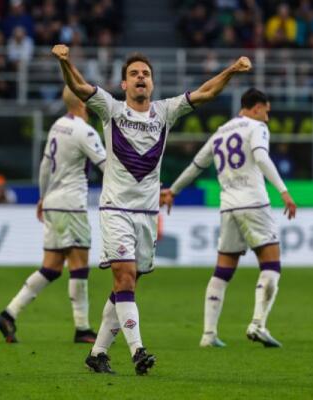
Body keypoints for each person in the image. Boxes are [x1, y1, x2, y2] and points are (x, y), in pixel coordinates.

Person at [51, 43, 251, 375]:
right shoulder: (111, 109)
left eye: (145, 73)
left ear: (152, 83)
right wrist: (65, 62)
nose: (140, 77)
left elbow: (206, 93)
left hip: (146, 214)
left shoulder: (165, 111)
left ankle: (97, 354)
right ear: (124, 84)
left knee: (126, 285)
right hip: (116, 209)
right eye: (134, 74)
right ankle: (138, 351)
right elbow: (80, 87)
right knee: (124, 277)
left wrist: (231, 70)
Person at [161, 88, 297, 349]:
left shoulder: (221, 131)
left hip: (228, 207)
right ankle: (258, 324)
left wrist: (173, 191)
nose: (267, 118)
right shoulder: (256, 127)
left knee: (223, 270)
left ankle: (208, 334)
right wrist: (284, 191)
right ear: (256, 108)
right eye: (266, 112)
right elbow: (261, 156)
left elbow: (196, 165)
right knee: (271, 265)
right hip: (254, 203)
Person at [0, 86, 106, 344]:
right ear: (84, 101)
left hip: (53, 202)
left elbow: (45, 166)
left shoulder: (58, 126)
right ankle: (82, 328)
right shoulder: (85, 131)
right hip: (71, 204)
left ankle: (8, 314)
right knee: (79, 266)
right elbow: (107, 165)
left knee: (52, 267)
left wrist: (42, 198)